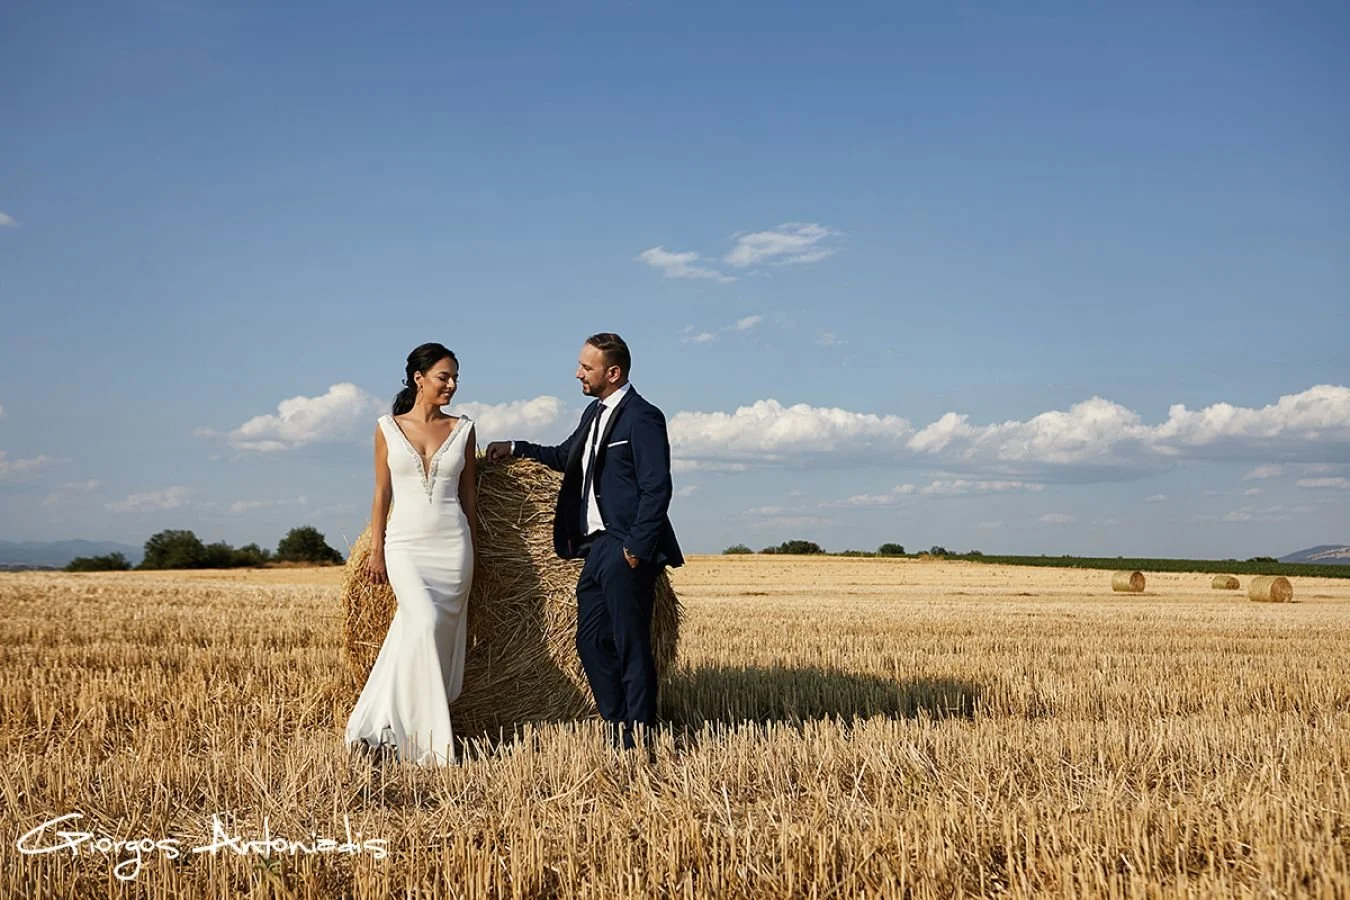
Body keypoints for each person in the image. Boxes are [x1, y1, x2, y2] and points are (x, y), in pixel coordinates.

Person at [485, 332, 683, 750]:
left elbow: (657, 487)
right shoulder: (594, 415)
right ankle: (616, 723)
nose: (577, 373)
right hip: (595, 548)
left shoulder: (643, 417)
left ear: (613, 372)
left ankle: (640, 733)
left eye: (586, 367)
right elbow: (565, 456)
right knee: (590, 641)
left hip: (623, 544)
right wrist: (517, 447)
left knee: (630, 641)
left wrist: (636, 548)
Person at [345, 342, 478, 765]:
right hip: (404, 545)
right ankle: (425, 745)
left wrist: (474, 549)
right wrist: (376, 550)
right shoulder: (386, 427)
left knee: (426, 638)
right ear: (419, 379)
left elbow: (469, 496)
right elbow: (382, 492)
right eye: (444, 377)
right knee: (422, 620)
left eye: (455, 377)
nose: (452, 385)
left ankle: (388, 729)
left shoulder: (465, 427)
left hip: (452, 547)